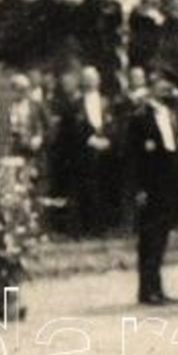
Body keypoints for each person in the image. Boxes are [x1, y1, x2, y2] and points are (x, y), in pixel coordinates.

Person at [128, 69, 178, 304]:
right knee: (149, 237)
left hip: (168, 183)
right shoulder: (140, 116)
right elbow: (133, 157)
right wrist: (138, 188)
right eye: (161, 85)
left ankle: (158, 288)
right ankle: (147, 288)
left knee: (161, 236)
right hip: (150, 184)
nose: (166, 89)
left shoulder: (171, 114)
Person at [51, 66, 114, 235]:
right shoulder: (74, 104)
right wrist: (88, 139)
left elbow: (114, 124)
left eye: (93, 78)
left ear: (99, 81)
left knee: (105, 187)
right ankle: (84, 227)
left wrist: (108, 139)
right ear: (82, 82)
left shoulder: (107, 102)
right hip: (83, 152)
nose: (90, 82)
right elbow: (69, 129)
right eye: (87, 79)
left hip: (105, 150)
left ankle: (102, 227)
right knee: (83, 189)